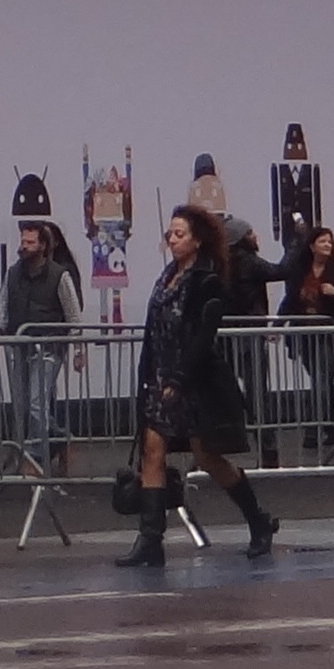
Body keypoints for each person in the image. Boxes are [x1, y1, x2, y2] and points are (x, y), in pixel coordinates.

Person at [125, 204, 278, 565]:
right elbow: (154, 330)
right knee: (152, 451)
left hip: (193, 381)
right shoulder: (167, 277)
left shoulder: (207, 280)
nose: (172, 241)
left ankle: (258, 520)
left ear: (197, 241)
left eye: (179, 235)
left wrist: (179, 378)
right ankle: (150, 540)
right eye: (169, 235)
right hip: (159, 376)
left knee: (208, 457)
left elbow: (202, 337)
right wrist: (150, 373)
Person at [3, 218, 86, 476]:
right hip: (21, 347)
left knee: (37, 405)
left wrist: (79, 349)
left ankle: (34, 458)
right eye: (22, 241)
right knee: (24, 406)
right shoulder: (14, 273)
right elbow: (3, 304)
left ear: (42, 245)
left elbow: (73, 314)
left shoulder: (59, 275)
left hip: (49, 349)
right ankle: (60, 440)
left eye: (30, 242)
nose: (24, 246)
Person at [281, 226, 334, 454]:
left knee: (321, 381)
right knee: (323, 380)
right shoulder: (300, 270)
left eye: (330, 242)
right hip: (303, 333)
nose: (327, 245)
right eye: (323, 241)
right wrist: (276, 325)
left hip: (326, 333)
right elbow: (290, 300)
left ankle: (313, 431)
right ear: (312, 246)